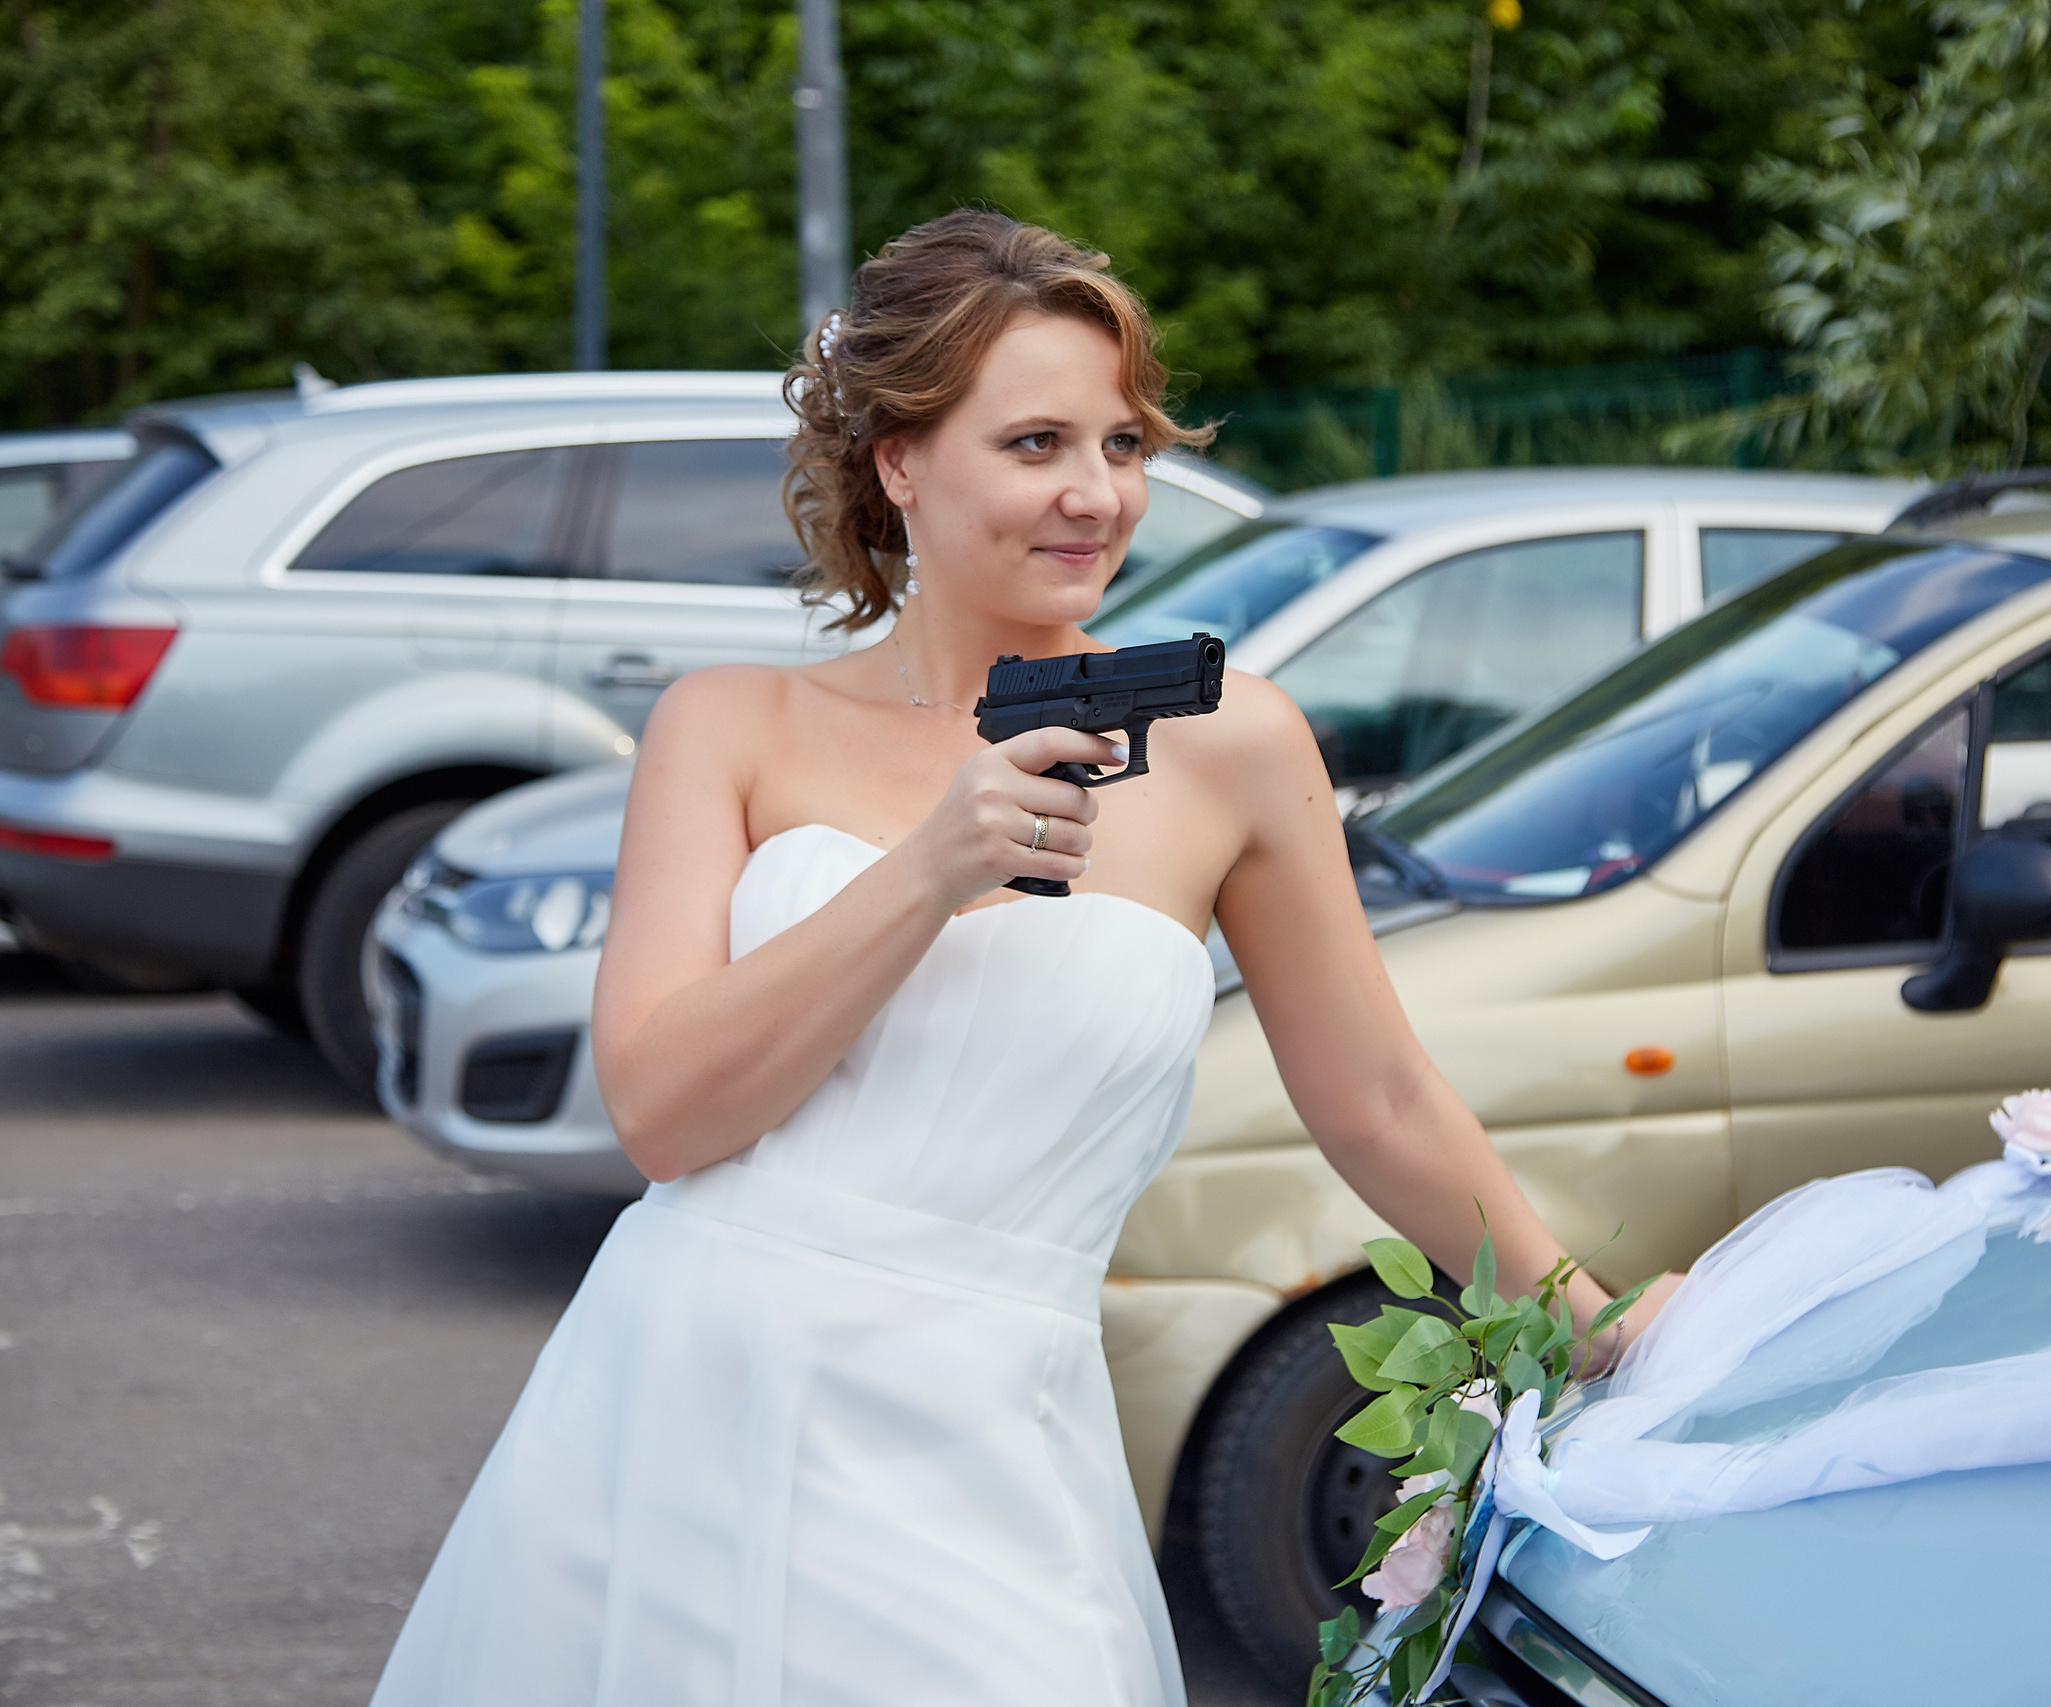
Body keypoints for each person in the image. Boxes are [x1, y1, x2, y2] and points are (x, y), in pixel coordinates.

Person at [368, 211, 1674, 1707]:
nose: (1096, 495)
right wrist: (932, 869)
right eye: (1038, 443)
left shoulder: (1232, 743)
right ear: (899, 462)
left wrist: (1589, 1331)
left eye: (1123, 446)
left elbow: (1377, 1099)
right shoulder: (730, 728)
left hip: (994, 1438)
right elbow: (663, 1114)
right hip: (687, 1406)